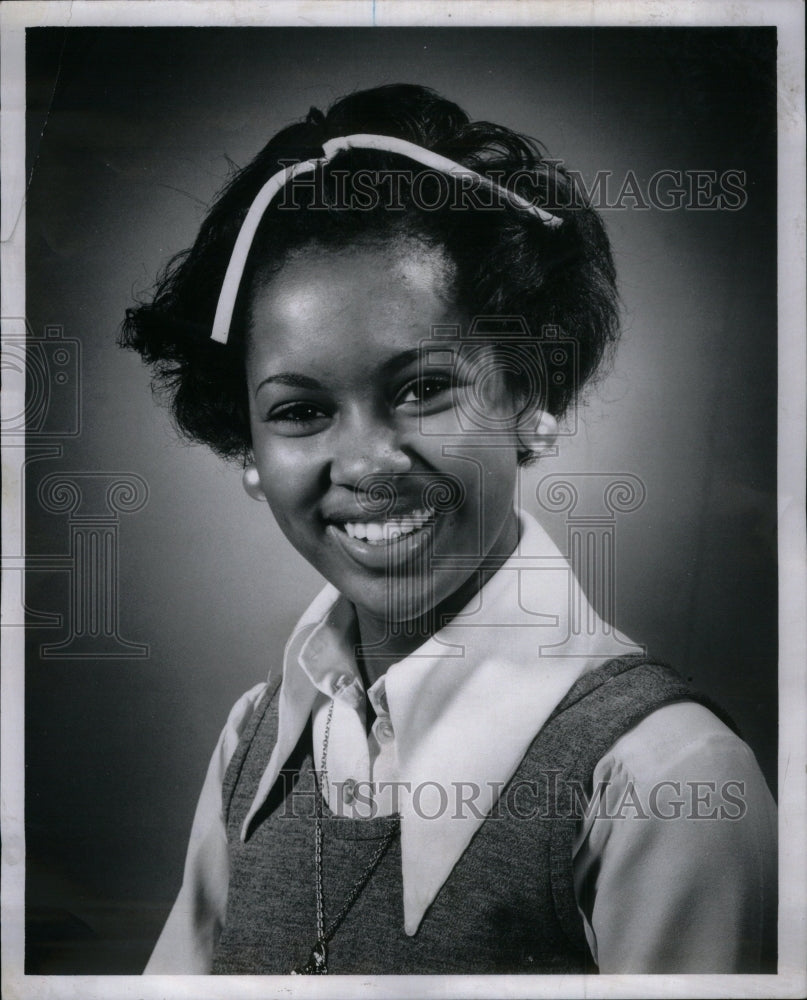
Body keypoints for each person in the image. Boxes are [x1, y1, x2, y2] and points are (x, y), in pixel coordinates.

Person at [121, 84, 776, 975]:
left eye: (423, 388)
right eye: (301, 410)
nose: (364, 462)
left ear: (530, 396)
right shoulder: (253, 742)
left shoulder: (663, 778)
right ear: (244, 444)